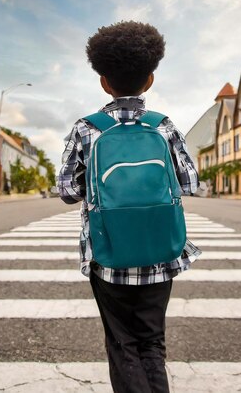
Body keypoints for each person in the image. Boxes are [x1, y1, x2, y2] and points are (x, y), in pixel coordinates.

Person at [57, 20, 201, 393]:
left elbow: (68, 191)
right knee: (152, 342)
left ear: (104, 80)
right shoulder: (163, 126)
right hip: (160, 250)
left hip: (109, 252)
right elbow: (189, 183)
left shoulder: (87, 129)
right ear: (150, 78)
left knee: (123, 345)